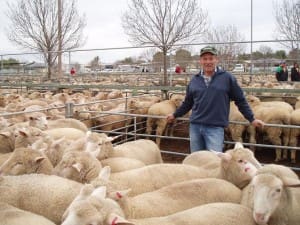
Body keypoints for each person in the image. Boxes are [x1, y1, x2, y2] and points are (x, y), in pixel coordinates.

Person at [166, 46, 264, 153]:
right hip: (195, 127)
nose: (208, 62)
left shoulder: (227, 78)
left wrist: (251, 119)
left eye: (211, 58)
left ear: (216, 60)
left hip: (215, 128)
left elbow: (240, 100)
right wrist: (175, 114)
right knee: (197, 159)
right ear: (200, 61)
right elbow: (188, 103)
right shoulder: (194, 80)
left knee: (215, 161)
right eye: (205, 59)